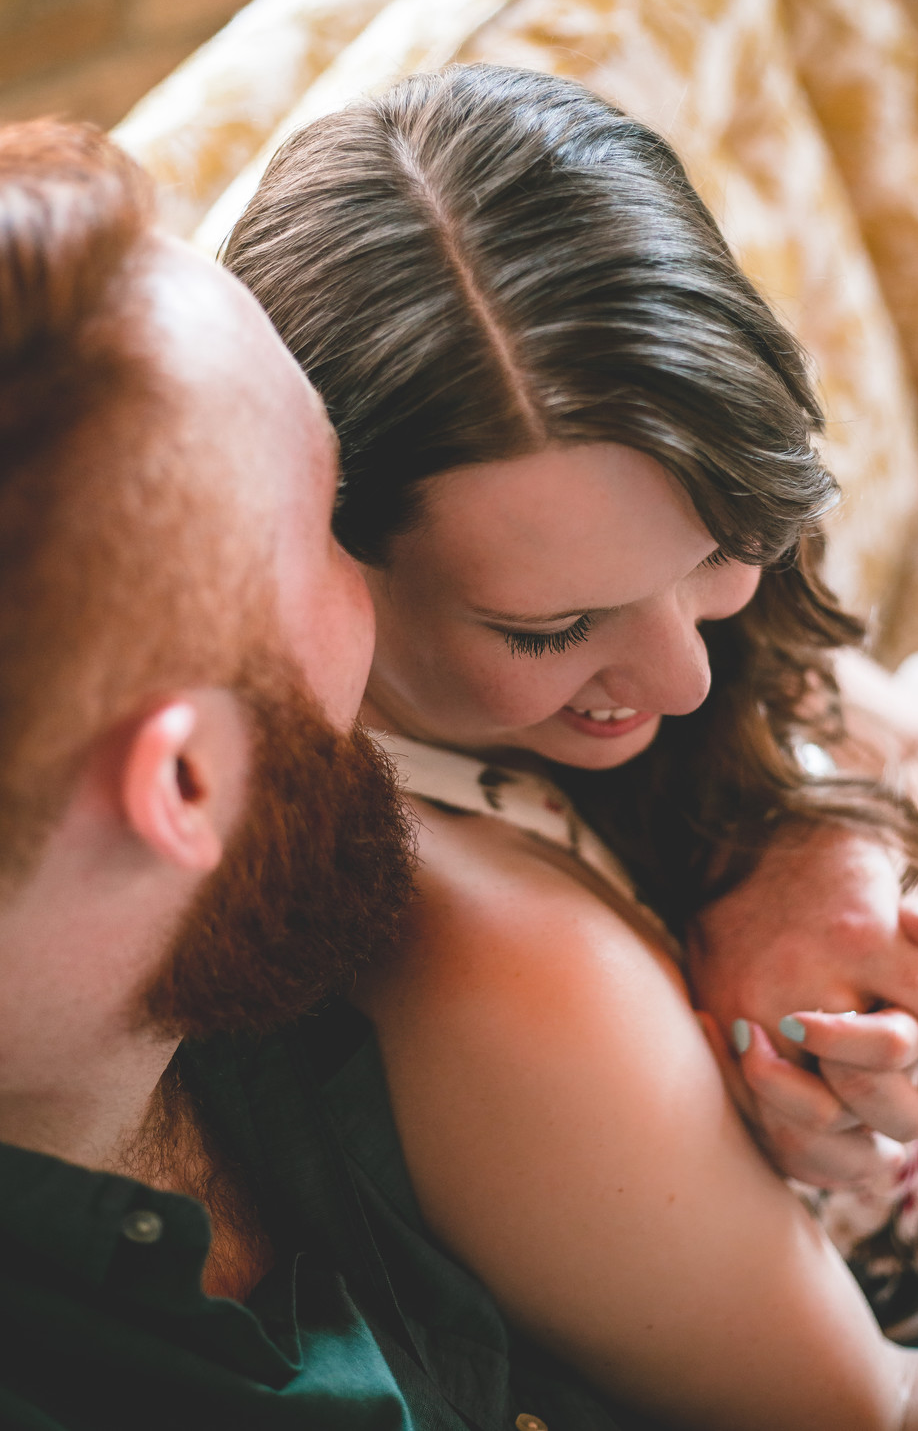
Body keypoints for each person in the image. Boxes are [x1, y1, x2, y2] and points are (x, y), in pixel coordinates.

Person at [220, 62, 918, 1424]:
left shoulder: (615, 529)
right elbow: (887, 1410)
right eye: (554, 628)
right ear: (324, 556)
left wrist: (864, 931)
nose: (683, 673)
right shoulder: (495, 959)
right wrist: (840, 1016)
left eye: (723, 554)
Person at [0, 118, 656, 1431]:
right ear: (181, 785)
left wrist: (801, 853)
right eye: (336, 519)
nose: (393, 590)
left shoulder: (287, 910)